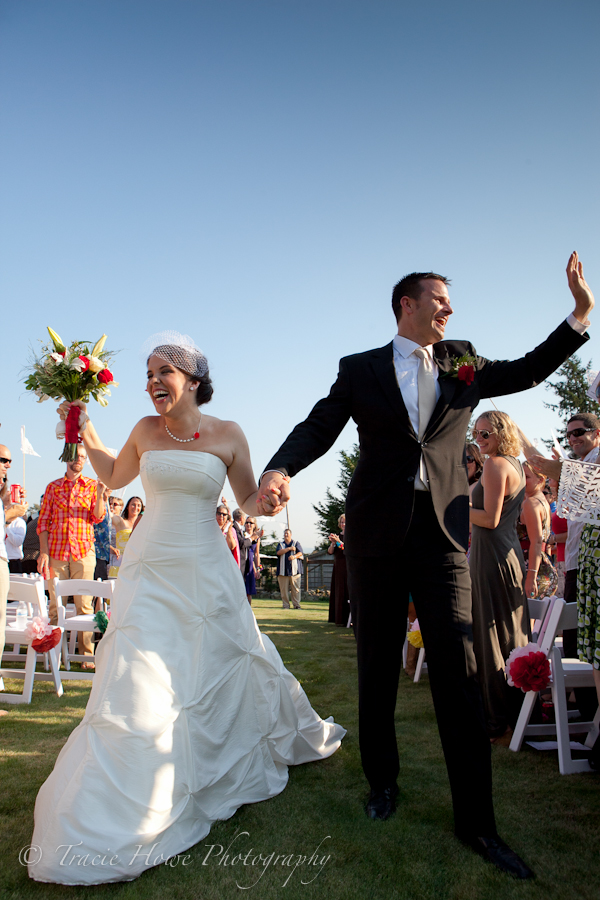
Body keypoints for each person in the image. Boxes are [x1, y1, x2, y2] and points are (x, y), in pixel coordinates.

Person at [257, 252, 594, 879]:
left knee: (460, 669)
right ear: (406, 305)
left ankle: (478, 823)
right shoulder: (359, 370)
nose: (450, 308)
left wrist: (578, 316)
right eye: (440, 298)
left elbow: (524, 371)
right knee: (377, 663)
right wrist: (280, 468)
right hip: (377, 533)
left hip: (444, 535)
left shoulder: (461, 360)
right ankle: (382, 784)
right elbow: (319, 425)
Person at [29, 331, 344, 885]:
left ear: (193, 380)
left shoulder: (228, 434)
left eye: (163, 373)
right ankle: (124, 798)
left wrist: (266, 498)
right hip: (149, 570)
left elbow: (247, 499)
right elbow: (112, 475)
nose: (153, 384)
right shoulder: (144, 431)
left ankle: (215, 762)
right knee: (140, 675)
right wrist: (84, 424)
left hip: (206, 569)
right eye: (148, 375)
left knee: (218, 665)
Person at [469, 411, 528, 741]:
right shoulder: (515, 464)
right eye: (476, 434)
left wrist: (452, 505)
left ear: (502, 431)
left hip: (492, 557)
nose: (479, 439)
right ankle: (517, 713)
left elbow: (489, 519)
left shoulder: (494, 465)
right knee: (511, 636)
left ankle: (497, 721)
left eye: (485, 433)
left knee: (490, 639)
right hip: (505, 555)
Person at [36, 445, 105, 666]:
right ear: (67, 457)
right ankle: (53, 654)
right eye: (76, 456)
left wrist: (102, 495)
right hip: (56, 551)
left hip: (84, 552)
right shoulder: (53, 487)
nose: (79, 460)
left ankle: (86, 655)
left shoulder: (93, 486)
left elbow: (98, 517)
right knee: (56, 605)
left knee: (84, 605)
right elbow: (43, 522)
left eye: (83, 457)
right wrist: (43, 552)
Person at [0, 445, 28, 715]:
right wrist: (9, 514)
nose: (6, 466)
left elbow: (15, 538)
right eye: (3, 460)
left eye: (9, 462)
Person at [519, 462, 557, 599]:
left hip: (530, 567)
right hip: (542, 564)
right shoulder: (542, 501)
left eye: (527, 477)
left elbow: (536, 541)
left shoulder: (531, 503)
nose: (521, 480)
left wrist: (531, 576)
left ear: (540, 480)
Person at [108, 496, 144, 577]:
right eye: (133, 504)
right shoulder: (120, 522)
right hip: (119, 563)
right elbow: (109, 514)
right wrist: (105, 497)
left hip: (135, 563)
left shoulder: (143, 525)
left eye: (138, 505)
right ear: (127, 506)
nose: (136, 507)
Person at [327, 514, 350, 626]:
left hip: (348, 566)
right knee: (338, 591)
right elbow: (330, 552)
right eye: (341, 522)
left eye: (344, 522)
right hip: (338, 567)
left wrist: (339, 542)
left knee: (347, 591)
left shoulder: (351, 535)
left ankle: (348, 619)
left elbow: (348, 549)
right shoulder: (337, 536)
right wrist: (333, 543)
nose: (343, 524)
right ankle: (338, 618)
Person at [276, 528, 303, 609]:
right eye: (284, 533)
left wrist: (294, 556)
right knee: (284, 590)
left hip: (295, 571)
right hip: (282, 571)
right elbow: (278, 552)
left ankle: (296, 605)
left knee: (296, 589)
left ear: (291, 535)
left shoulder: (296, 543)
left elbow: (300, 553)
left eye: (287, 533)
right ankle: (286, 605)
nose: (286, 535)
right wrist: (289, 549)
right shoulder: (280, 544)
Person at [243, 516, 260, 604]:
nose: (248, 524)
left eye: (251, 523)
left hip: (250, 565)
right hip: (242, 563)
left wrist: (258, 569)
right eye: (247, 522)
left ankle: (248, 611)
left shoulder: (257, 538)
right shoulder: (242, 535)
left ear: (254, 525)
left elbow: (257, 554)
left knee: (249, 591)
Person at [232, 508, 252, 573]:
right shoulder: (234, 527)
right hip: (238, 560)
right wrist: (252, 538)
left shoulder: (239, 528)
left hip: (243, 561)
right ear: (241, 518)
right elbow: (241, 543)